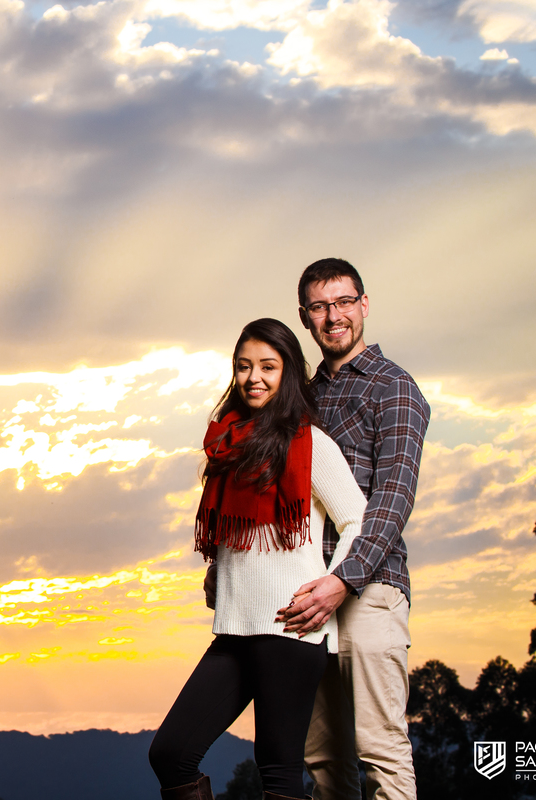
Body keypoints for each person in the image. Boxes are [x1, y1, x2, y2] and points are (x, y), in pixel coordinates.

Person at [148, 318, 368, 800]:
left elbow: (358, 520)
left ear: (288, 373)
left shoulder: (312, 445)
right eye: (244, 366)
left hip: (290, 627)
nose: (254, 378)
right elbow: (236, 528)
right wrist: (218, 571)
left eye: (268, 366)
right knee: (170, 754)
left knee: (278, 771)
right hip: (235, 627)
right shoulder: (226, 443)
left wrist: (334, 586)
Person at [276, 258, 430, 800]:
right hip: (306, 593)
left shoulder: (395, 389)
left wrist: (344, 580)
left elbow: (393, 498)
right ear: (305, 317)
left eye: (343, 302)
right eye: (320, 307)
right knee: (322, 762)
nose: (333, 316)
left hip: (370, 587)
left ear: (364, 305)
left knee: (381, 750)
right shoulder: (300, 400)